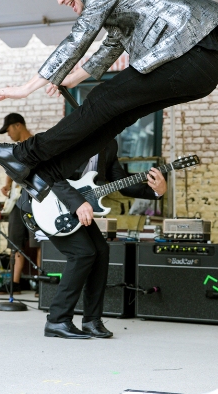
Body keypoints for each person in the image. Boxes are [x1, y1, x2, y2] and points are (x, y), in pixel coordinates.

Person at [0, 0, 218, 199]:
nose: (59, 0)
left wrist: (26, 88)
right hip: (199, 70)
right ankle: (47, 175)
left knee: (100, 100)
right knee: (113, 119)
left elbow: (80, 35)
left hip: (189, 56)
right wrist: (73, 77)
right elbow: (114, 43)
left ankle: (22, 155)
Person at [41, 139, 167, 339]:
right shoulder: (72, 136)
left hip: (76, 208)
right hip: (45, 203)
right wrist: (76, 202)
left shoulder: (109, 145)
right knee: (82, 253)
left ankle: (91, 320)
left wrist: (156, 191)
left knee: (101, 251)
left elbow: (122, 183)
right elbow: (47, 172)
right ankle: (57, 320)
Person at [0, 113, 41, 295]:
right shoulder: (16, 148)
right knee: (15, 242)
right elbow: (11, 167)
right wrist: (7, 184)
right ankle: (15, 283)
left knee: (38, 242)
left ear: (18, 125)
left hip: (35, 200)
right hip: (17, 201)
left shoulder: (36, 144)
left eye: (8, 130)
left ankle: (42, 284)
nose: (8, 135)